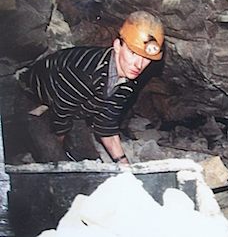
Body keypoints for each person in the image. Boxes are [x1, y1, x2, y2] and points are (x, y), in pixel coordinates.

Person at [21, 10, 164, 164]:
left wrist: (126, 169)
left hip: (74, 107)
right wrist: (58, 150)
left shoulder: (127, 82)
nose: (139, 64)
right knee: (54, 163)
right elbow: (60, 117)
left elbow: (106, 125)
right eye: (132, 53)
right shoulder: (85, 73)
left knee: (90, 162)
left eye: (146, 58)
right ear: (117, 46)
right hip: (30, 96)